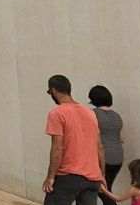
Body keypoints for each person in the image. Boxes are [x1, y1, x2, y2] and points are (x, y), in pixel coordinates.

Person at [43, 75, 107, 205]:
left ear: (54, 91)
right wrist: (102, 176)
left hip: (68, 176)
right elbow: (99, 147)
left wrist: (50, 177)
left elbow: (57, 149)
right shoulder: (90, 114)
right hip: (92, 178)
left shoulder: (57, 113)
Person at [89, 85, 124, 205]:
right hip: (118, 157)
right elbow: (121, 138)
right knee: (106, 188)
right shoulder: (116, 116)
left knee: (101, 190)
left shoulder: (93, 114)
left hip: (104, 158)